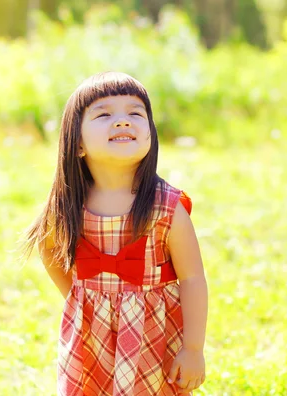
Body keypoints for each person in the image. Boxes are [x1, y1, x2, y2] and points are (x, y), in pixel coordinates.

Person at [21, 71, 208, 395]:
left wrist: (192, 349)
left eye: (135, 113)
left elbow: (192, 278)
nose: (123, 121)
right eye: (104, 114)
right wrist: (79, 296)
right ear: (77, 143)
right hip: (90, 338)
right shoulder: (69, 204)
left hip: (153, 335)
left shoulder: (165, 207)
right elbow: (48, 248)